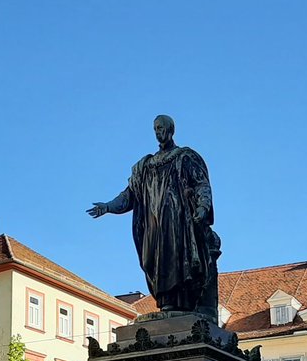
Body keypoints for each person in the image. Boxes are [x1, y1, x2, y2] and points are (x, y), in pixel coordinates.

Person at [88, 115, 220, 320]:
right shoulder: (145, 165)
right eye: (155, 129)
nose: (158, 132)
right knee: (157, 262)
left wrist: (203, 207)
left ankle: (182, 304)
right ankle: (167, 303)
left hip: (178, 222)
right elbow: (128, 195)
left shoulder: (185, 156)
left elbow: (201, 184)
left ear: (171, 129)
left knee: (179, 260)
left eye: (161, 128)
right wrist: (107, 207)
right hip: (154, 225)